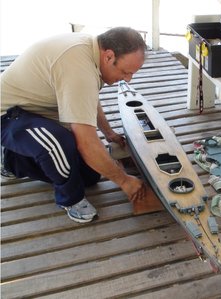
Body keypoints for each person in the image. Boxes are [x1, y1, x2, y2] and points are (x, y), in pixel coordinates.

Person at [1, 27, 147, 223]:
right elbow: (86, 143)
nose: (128, 79)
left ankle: (13, 161)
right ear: (109, 56)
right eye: (125, 72)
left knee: (91, 175)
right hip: (9, 115)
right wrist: (124, 181)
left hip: (39, 112)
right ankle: (71, 200)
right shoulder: (78, 67)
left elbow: (88, 99)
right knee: (58, 144)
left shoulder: (93, 54)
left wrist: (108, 133)